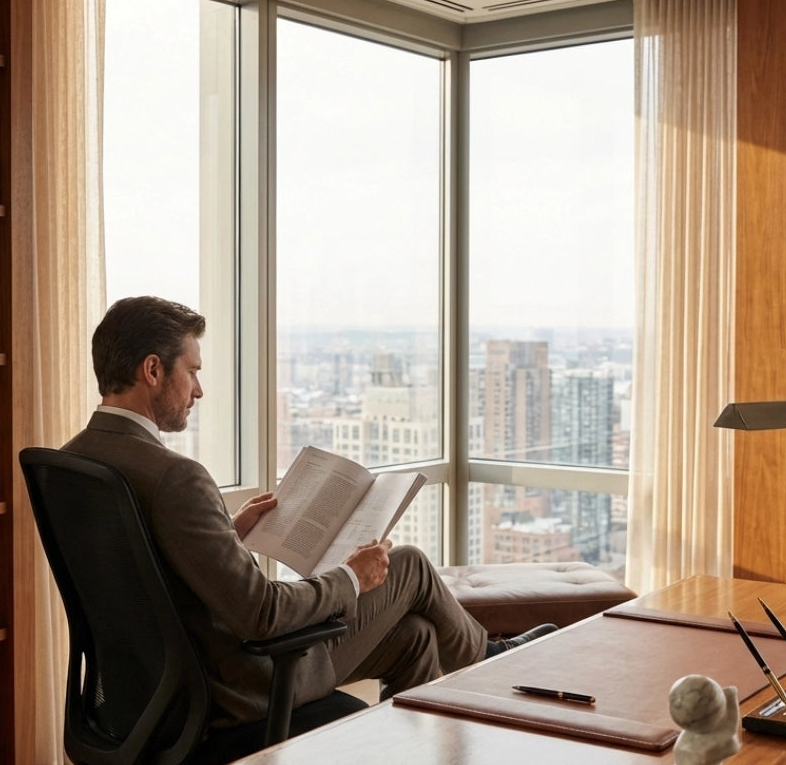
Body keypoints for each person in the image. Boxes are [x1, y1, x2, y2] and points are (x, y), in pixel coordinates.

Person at [63, 295, 555, 726]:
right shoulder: (176, 478)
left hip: (144, 690)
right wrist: (351, 576)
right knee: (408, 566)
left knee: (416, 635)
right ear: (152, 370)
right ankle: (492, 660)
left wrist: (228, 535)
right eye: (191, 371)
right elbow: (261, 613)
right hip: (234, 688)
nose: (198, 390)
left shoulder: (73, 462)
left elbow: (143, 572)